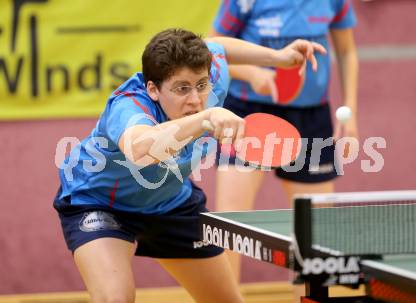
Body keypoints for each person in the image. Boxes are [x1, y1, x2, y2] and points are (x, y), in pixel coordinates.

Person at [53, 28, 325, 303]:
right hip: (100, 203)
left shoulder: (209, 77)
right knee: (116, 300)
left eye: (201, 85)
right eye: (182, 88)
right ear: (153, 89)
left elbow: (218, 47)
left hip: (171, 202)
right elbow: (140, 149)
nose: (195, 99)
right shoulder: (130, 105)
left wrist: (277, 58)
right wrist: (206, 118)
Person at [211, 0, 359, 281]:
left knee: (315, 234)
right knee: (231, 225)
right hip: (248, 113)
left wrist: (351, 110)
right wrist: (253, 73)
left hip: (311, 118)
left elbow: (347, 51)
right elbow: (212, 48)